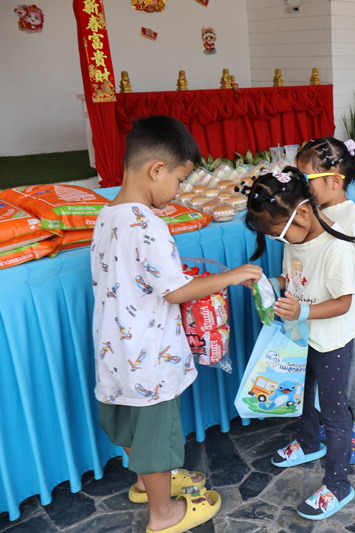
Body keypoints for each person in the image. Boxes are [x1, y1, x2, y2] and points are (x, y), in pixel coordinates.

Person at [91, 115, 262, 533]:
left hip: (115, 350)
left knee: (130, 423)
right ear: (156, 170)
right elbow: (175, 291)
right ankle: (164, 513)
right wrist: (231, 276)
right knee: (156, 435)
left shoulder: (107, 214)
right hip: (149, 356)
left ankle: (145, 484)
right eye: (180, 180)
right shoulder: (148, 223)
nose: (179, 191)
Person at [244, 167, 355, 520]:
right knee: (301, 391)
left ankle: (338, 484)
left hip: (331, 341)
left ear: (304, 212)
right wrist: (270, 282)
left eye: (279, 232)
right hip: (301, 334)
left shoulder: (337, 249)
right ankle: (309, 443)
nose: (279, 240)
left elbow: (345, 301)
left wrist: (304, 311)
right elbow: (294, 277)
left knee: (335, 413)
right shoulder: (296, 241)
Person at [295, 137, 355, 464]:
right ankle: (338, 421)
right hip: (326, 307)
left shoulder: (354, 218)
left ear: (335, 181)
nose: (302, 186)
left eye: (305, 179)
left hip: (351, 308)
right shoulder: (316, 212)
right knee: (331, 371)